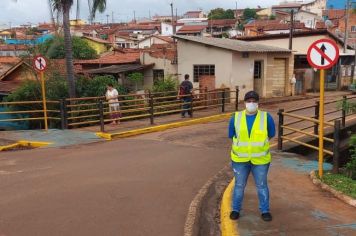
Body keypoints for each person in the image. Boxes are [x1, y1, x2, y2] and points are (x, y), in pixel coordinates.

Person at [228, 91, 275, 222]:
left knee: (262, 185)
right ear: (244, 103)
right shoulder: (235, 117)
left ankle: (265, 210)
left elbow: (271, 134)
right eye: (249, 101)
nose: (251, 103)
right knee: (239, 185)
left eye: (254, 101)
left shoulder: (266, 117)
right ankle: (235, 209)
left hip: (260, 160)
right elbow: (231, 135)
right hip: (240, 160)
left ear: (258, 103)